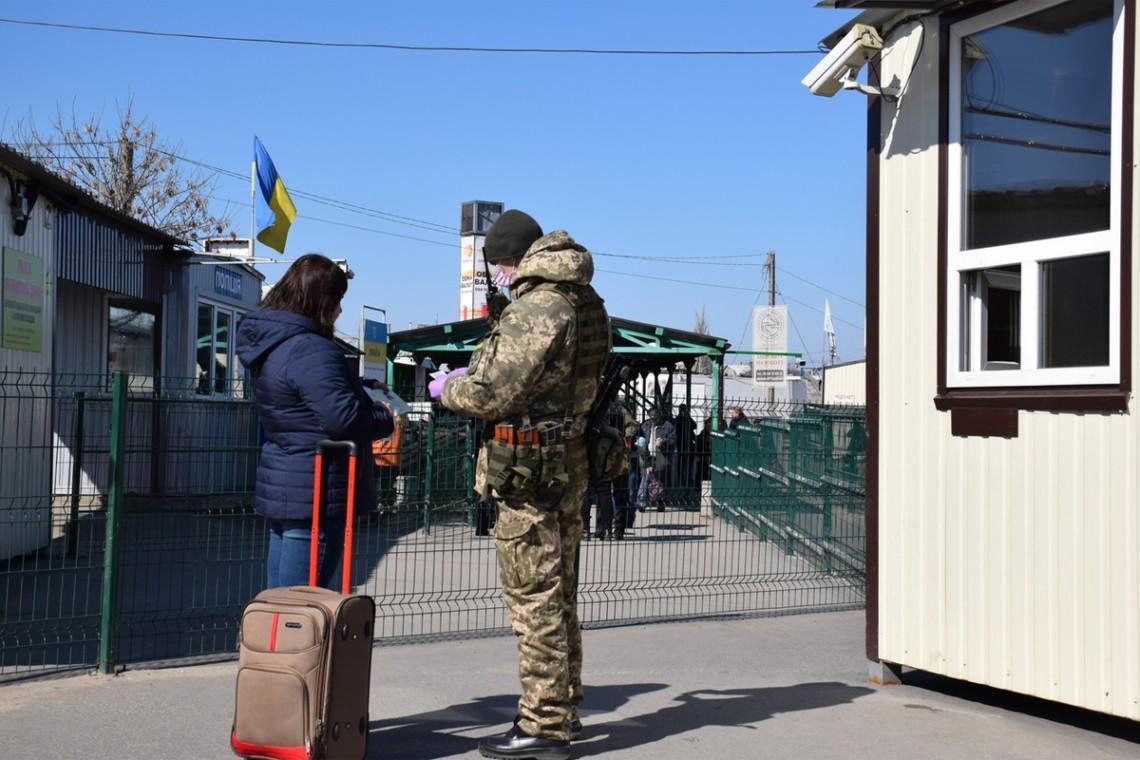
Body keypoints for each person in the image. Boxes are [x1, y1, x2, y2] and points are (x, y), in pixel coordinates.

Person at [436, 209, 610, 760]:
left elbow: (491, 396)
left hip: (529, 474)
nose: (496, 278)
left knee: (534, 602)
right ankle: (564, 710)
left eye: (496, 267)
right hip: (568, 466)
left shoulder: (538, 308)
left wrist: (449, 388)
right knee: (560, 597)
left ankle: (542, 727)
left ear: (509, 261)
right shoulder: (586, 301)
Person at [236, 254, 393, 590]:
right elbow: (344, 418)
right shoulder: (311, 349)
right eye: (337, 301)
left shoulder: (276, 343)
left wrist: (361, 389)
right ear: (321, 300)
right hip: (317, 492)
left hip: (290, 483)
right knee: (303, 607)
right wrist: (384, 415)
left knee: (281, 605)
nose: (339, 311)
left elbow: (302, 397)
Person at [639, 407, 675, 511]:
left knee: (659, 480)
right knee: (645, 477)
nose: (653, 420)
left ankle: (660, 501)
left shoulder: (668, 426)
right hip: (646, 454)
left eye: (656, 418)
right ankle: (642, 502)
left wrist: (663, 441)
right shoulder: (645, 426)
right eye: (652, 418)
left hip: (661, 455)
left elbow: (673, 440)